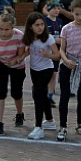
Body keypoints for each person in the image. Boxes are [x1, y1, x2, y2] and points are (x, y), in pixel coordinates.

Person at [56, 0, 81, 140]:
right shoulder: (66, 28)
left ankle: (80, 124)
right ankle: (62, 126)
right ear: (72, 12)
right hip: (68, 65)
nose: (79, 17)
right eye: (77, 14)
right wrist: (66, 60)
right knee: (65, 96)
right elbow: (62, 49)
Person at [0, 11, 26, 135]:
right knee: (1, 90)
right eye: (1, 29)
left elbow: (21, 54)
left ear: (13, 28)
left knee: (16, 92)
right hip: (1, 63)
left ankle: (20, 113)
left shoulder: (19, 36)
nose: (3, 32)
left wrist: (14, 62)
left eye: (7, 29)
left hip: (16, 63)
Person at [22, 12, 59, 140]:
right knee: (41, 95)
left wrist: (48, 55)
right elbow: (28, 52)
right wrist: (19, 58)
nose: (40, 27)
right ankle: (49, 120)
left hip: (46, 69)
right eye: (37, 25)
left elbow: (57, 55)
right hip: (34, 70)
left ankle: (38, 127)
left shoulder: (48, 38)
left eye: (42, 24)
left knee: (37, 94)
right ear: (30, 26)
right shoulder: (29, 38)